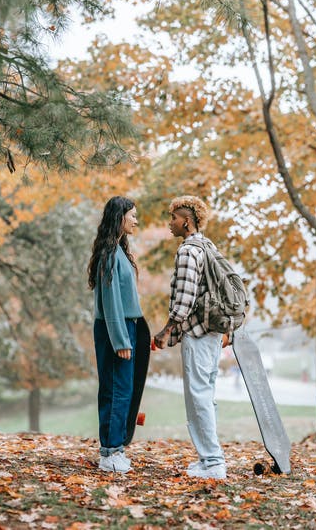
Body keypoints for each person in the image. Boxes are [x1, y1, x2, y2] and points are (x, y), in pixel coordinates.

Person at [154, 195, 227, 480]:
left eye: (173, 218)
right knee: (206, 396)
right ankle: (210, 459)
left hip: (197, 333)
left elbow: (184, 299)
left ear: (186, 221)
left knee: (198, 396)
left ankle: (212, 462)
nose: (170, 223)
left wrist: (167, 329)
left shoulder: (188, 251)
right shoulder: (209, 246)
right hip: (213, 332)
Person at [88, 196, 143, 474]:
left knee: (123, 391)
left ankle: (117, 449)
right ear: (119, 217)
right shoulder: (110, 253)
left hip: (125, 327)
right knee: (115, 391)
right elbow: (111, 302)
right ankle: (109, 453)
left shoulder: (118, 250)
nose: (135, 219)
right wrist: (121, 340)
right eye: (132, 215)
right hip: (115, 329)